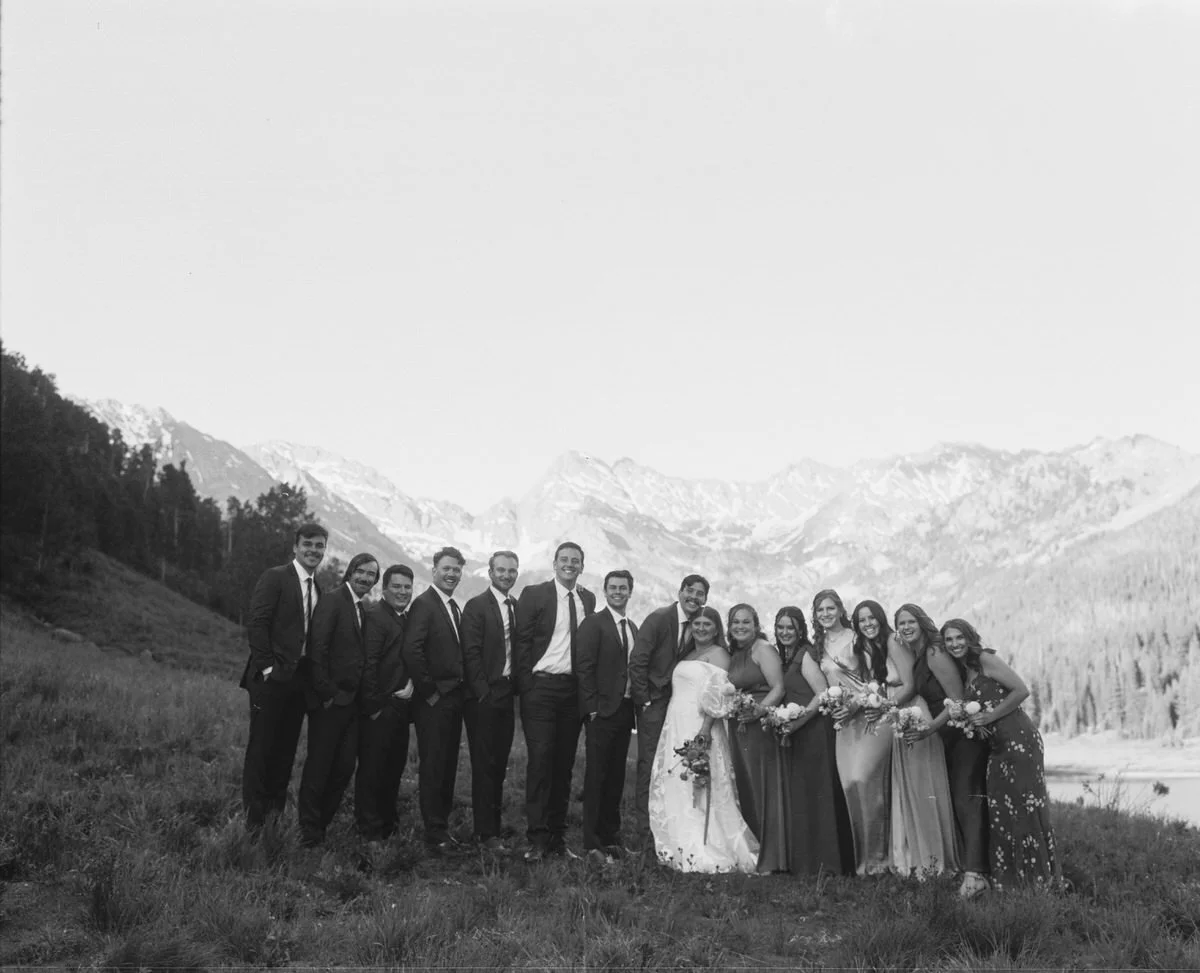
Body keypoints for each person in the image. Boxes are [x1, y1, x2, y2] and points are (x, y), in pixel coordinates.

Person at [941, 618, 1058, 891]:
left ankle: (1037, 880)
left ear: (970, 638)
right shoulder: (967, 668)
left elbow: (1021, 690)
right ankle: (1012, 879)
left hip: (1018, 740)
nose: (955, 644)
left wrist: (990, 715)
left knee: (1025, 807)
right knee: (1003, 809)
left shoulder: (984, 659)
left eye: (959, 638)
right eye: (949, 640)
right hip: (996, 746)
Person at [649, 606, 759, 872]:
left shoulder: (719, 654)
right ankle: (679, 842)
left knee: (701, 782)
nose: (700, 628)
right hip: (677, 721)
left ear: (716, 628)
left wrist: (705, 729)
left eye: (706, 624)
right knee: (677, 781)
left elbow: (719, 694)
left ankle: (706, 845)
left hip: (700, 724)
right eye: (696, 623)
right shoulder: (688, 653)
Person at [852, 600, 957, 876]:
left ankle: (935, 860)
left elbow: (910, 684)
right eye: (861, 620)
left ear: (881, 619)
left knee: (923, 786)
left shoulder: (892, 643)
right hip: (898, 712)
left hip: (912, 711)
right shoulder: (873, 648)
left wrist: (883, 706)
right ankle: (913, 855)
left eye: (872, 618)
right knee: (907, 787)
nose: (868, 624)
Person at [896, 603, 989, 897]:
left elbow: (957, 699)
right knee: (960, 800)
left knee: (967, 800)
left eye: (910, 621)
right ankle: (972, 867)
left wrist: (930, 729)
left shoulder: (935, 652)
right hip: (947, 735)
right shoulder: (920, 654)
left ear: (922, 622)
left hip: (963, 735)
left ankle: (976, 876)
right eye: (901, 624)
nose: (906, 627)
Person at [240, 522, 328, 830]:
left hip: (298, 682)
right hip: (270, 680)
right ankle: (251, 822)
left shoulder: (318, 587)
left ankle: (273, 816)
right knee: (262, 749)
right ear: (295, 546)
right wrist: (267, 669)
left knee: (285, 750)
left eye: (319, 546)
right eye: (308, 544)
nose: (313, 550)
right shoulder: (276, 577)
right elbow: (258, 622)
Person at [514, 541, 596, 861]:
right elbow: (521, 642)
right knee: (541, 761)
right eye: (564, 559)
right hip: (541, 688)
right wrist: (527, 686)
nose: (569, 565)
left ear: (582, 566)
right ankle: (536, 838)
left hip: (571, 692)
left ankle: (557, 840)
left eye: (575, 560)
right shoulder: (535, 595)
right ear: (554, 563)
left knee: (563, 766)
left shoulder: (587, 598)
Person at [298, 552, 379, 847]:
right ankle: (308, 830)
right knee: (319, 765)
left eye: (372, 575)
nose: (366, 578)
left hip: (352, 704)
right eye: (362, 572)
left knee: (344, 766)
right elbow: (317, 648)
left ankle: (321, 824)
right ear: (350, 571)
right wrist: (326, 694)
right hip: (330, 702)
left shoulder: (362, 609)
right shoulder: (333, 600)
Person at [813, 588, 892, 875]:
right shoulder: (819, 645)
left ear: (840, 610)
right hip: (843, 723)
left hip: (870, 715)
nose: (825, 614)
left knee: (867, 783)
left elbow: (878, 679)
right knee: (850, 787)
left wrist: (858, 704)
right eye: (820, 610)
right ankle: (860, 863)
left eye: (830, 608)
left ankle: (879, 862)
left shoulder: (857, 637)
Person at [628, 574, 710, 845]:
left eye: (700, 594)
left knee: (673, 764)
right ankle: (644, 833)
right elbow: (638, 661)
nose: (694, 597)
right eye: (690, 591)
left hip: (678, 706)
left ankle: (670, 827)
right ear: (680, 591)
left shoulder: (698, 627)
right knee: (649, 764)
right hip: (653, 703)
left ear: (705, 599)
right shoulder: (659, 618)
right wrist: (644, 700)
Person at [774, 606, 855, 876]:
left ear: (800, 630)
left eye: (790, 628)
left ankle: (829, 864)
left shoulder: (804, 655)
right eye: (781, 627)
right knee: (807, 794)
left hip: (815, 729)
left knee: (819, 792)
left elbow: (821, 693)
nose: (785, 632)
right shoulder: (787, 656)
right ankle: (810, 862)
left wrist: (798, 721)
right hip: (800, 730)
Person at [402, 546, 468, 852]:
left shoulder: (454, 607)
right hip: (434, 701)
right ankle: (433, 831)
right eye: (447, 568)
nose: (452, 574)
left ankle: (441, 827)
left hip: (453, 699)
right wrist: (429, 692)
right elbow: (412, 650)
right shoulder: (424, 604)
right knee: (433, 765)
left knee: (447, 764)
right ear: (434, 570)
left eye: (456, 569)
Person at [576, 569, 639, 863]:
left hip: (625, 712)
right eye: (613, 587)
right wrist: (591, 708)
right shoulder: (593, 624)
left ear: (630, 591)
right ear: (605, 591)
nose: (618, 592)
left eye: (623, 588)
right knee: (597, 777)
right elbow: (584, 667)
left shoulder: (633, 628)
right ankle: (592, 842)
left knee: (616, 777)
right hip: (601, 713)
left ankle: (611, 837)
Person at [461, 551, 521, 851]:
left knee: (498, 766)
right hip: (483, 697)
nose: (506, 575)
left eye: (511, 571)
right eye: (501, 570)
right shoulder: (476, 606)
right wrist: (483, 691)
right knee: (484, 766)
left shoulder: (515, 606)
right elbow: (470, 653)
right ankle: (484, 834)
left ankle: (493, 828)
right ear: (490, 572)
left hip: (506, 695)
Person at [725, 603, 788, 873]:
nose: (740, 626)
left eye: (746, 622)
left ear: (756, 624)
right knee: (747, 786)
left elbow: (779, 688)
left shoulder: (763, 649)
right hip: (739, 727)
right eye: (735, 622)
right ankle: (757, 849)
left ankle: (774, 856)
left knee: (763, 786)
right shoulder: (736, 652)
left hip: (759, 725)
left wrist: (759, 712)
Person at [357, 563, 415, 842]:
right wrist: (374, 708)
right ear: (384, 589)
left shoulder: (404, 617)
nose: (403, 592)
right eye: (397, 586)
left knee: (393, 767)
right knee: (373, 769)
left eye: (407, 587)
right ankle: (369, 830)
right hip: (380, 707)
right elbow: (368, 664)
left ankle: (387, 824)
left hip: (400, 708)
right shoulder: (377, 616)